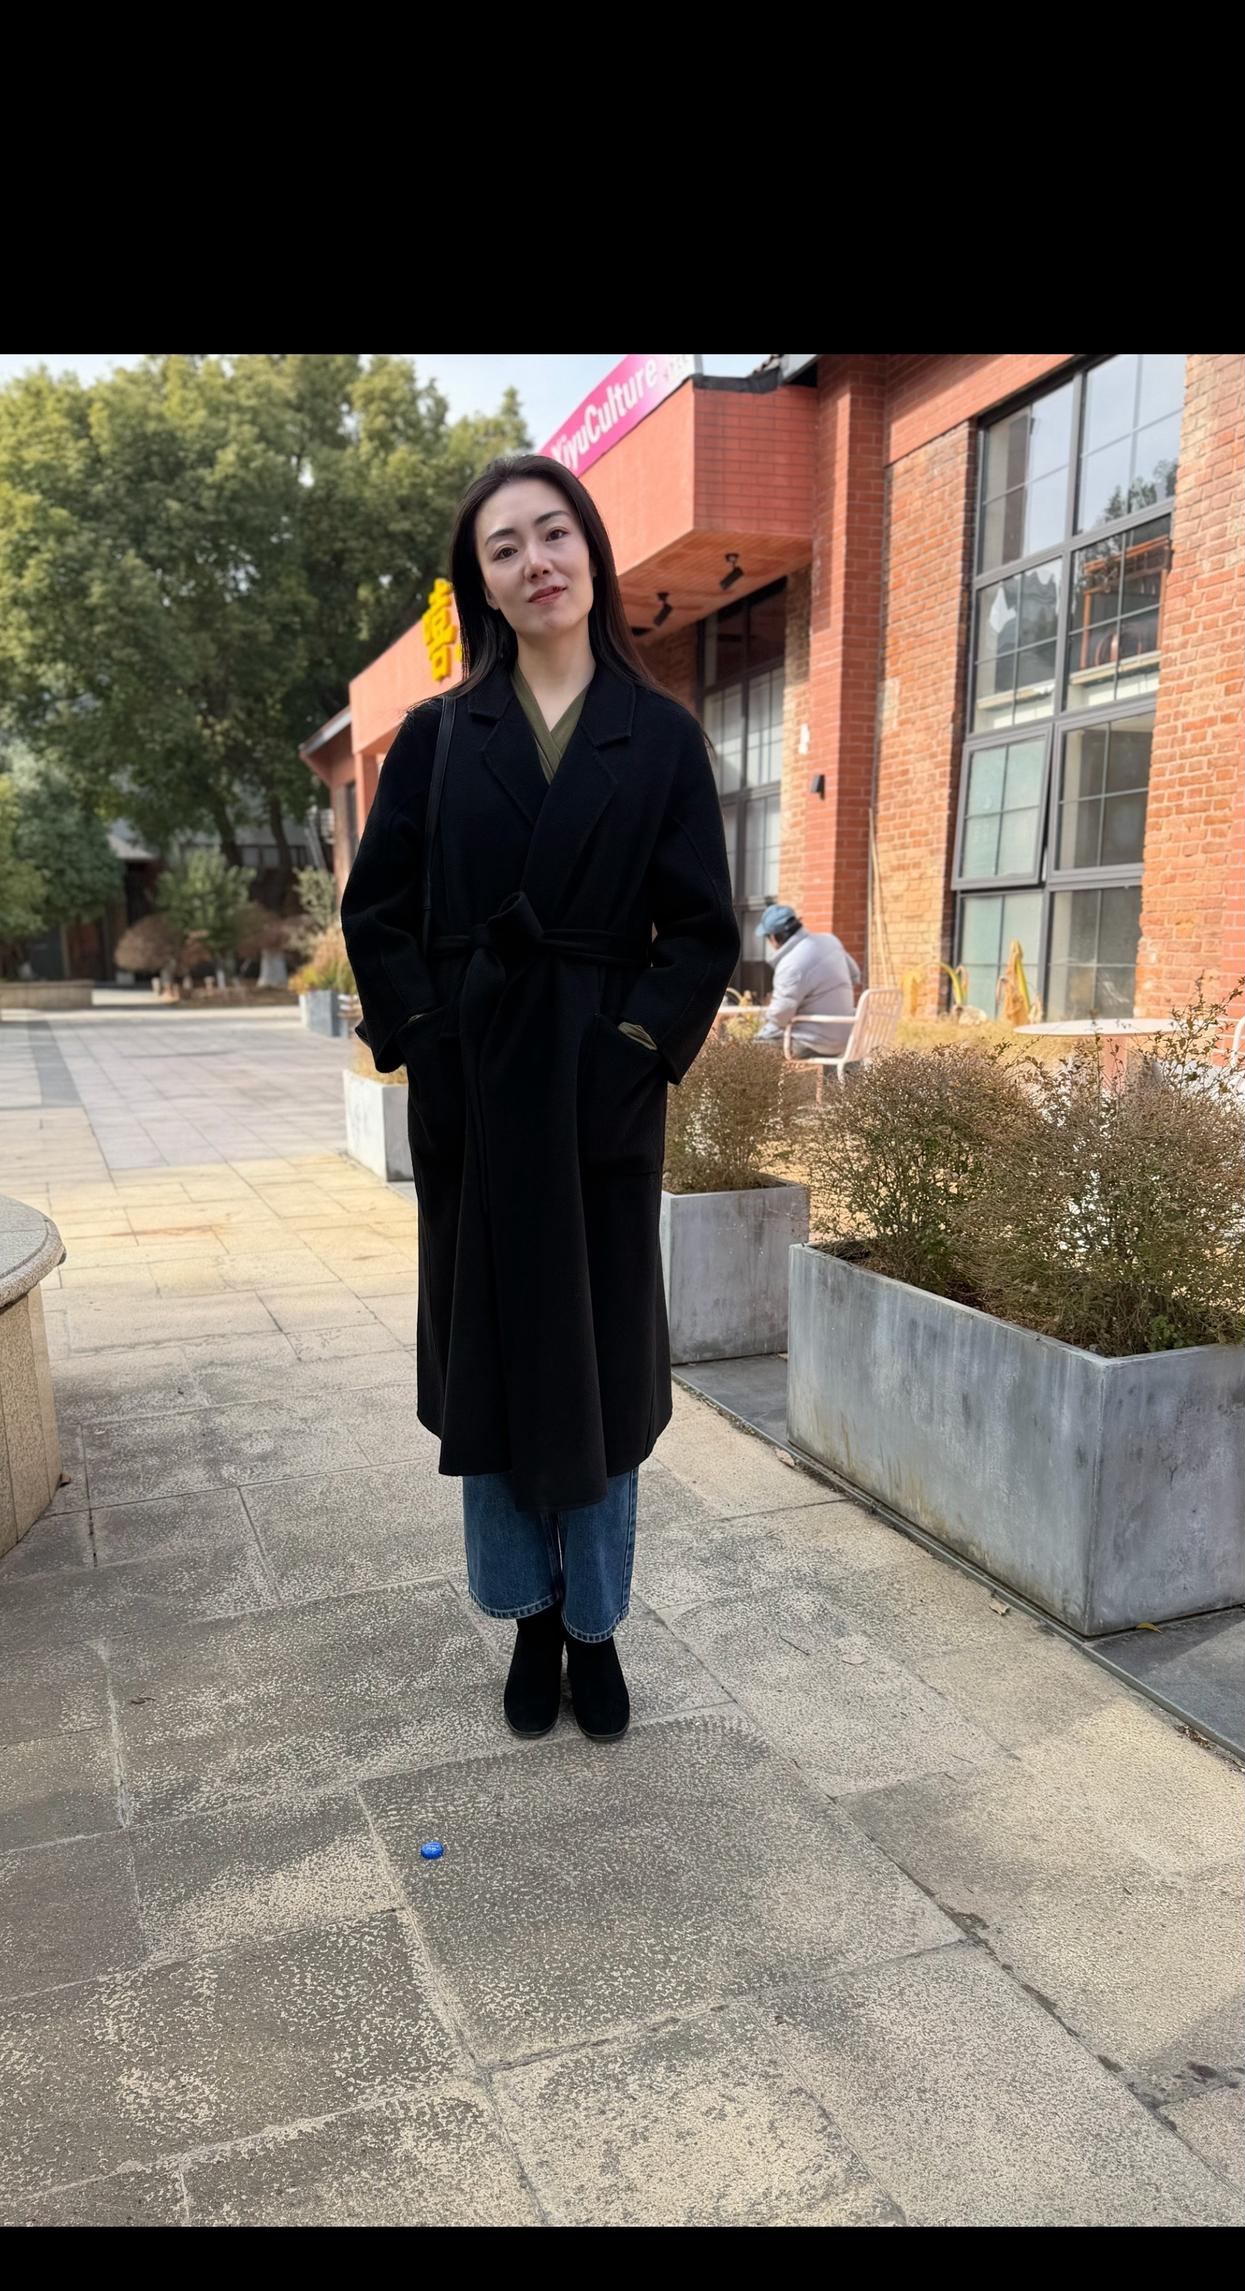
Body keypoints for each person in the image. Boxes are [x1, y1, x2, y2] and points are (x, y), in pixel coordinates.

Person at [341, 456, 739, 1747]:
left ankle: (598, 1623)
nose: (534, 562)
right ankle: (525, 1617)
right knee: (496, 1363)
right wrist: (427, 1039)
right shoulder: (440, 739)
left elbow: (703, 930)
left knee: (603, 1371)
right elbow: (377, 910)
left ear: (591, 550)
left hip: (597, 1088)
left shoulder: (660, 738)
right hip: (478, 1083)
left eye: (551, 533)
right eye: (502, 548)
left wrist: (632, 1049)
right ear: (484, 585)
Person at [752, 904, 861, 1057]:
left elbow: (780, 1015)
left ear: (774, 938)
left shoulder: (790, 964)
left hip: (813, 1042)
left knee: (751, 1052)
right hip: (846, 1036)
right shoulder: (830, 941)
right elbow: (855, 975)